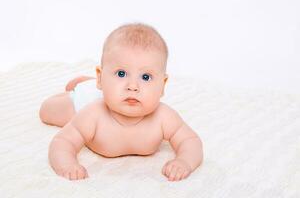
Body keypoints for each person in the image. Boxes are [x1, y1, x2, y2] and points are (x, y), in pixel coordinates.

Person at [39, 23, 203, 182]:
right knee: (47, 111)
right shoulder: (92, 114)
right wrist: (67, 164)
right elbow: (62, 141)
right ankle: (84, 87)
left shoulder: (164, 117)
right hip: (88, 98)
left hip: (110, 91)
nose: (133, 86)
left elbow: (190, 141)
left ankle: (93, 82)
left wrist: (184, 162)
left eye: (146, 77)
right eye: (121, 73)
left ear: (162, 85)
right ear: (100, 77)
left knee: (110, 89)